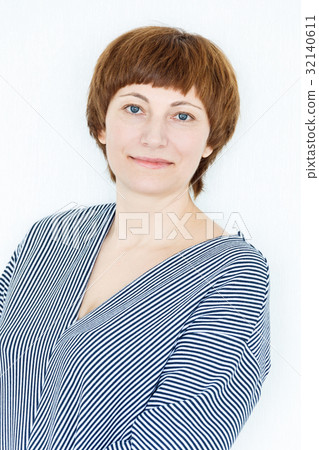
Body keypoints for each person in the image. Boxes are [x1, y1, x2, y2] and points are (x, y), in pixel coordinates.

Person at [0, 26, 270, 449]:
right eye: (133, 108)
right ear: (101, 125)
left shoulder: (232, 275)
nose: (153, 137)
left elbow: (180, 435)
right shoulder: (47, 238)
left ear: (211, 140)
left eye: (183, 115)